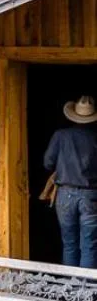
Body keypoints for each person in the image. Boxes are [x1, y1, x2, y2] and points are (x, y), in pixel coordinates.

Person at [46, 96, 97, 269]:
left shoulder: (61, 136)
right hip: (91, 195)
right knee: (89, 245)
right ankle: (85, 293)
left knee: (69, 244)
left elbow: (48, 163)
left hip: (65, 194)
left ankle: (70, 289)